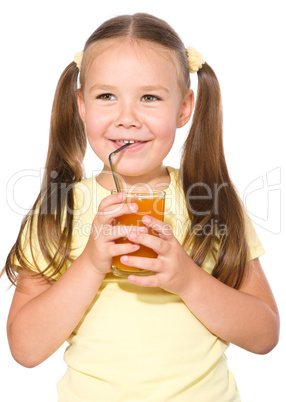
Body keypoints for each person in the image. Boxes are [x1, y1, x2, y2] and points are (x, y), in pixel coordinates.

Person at [3, 13, 279, 401]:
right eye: (106, 96)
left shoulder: (210, 200)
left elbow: (264, 334)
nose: (127, 118)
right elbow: (25, 349)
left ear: (184, 108)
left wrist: (187, 278)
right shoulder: (58, 208)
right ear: (81, 105)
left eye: (149, 97)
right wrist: (92, 263)